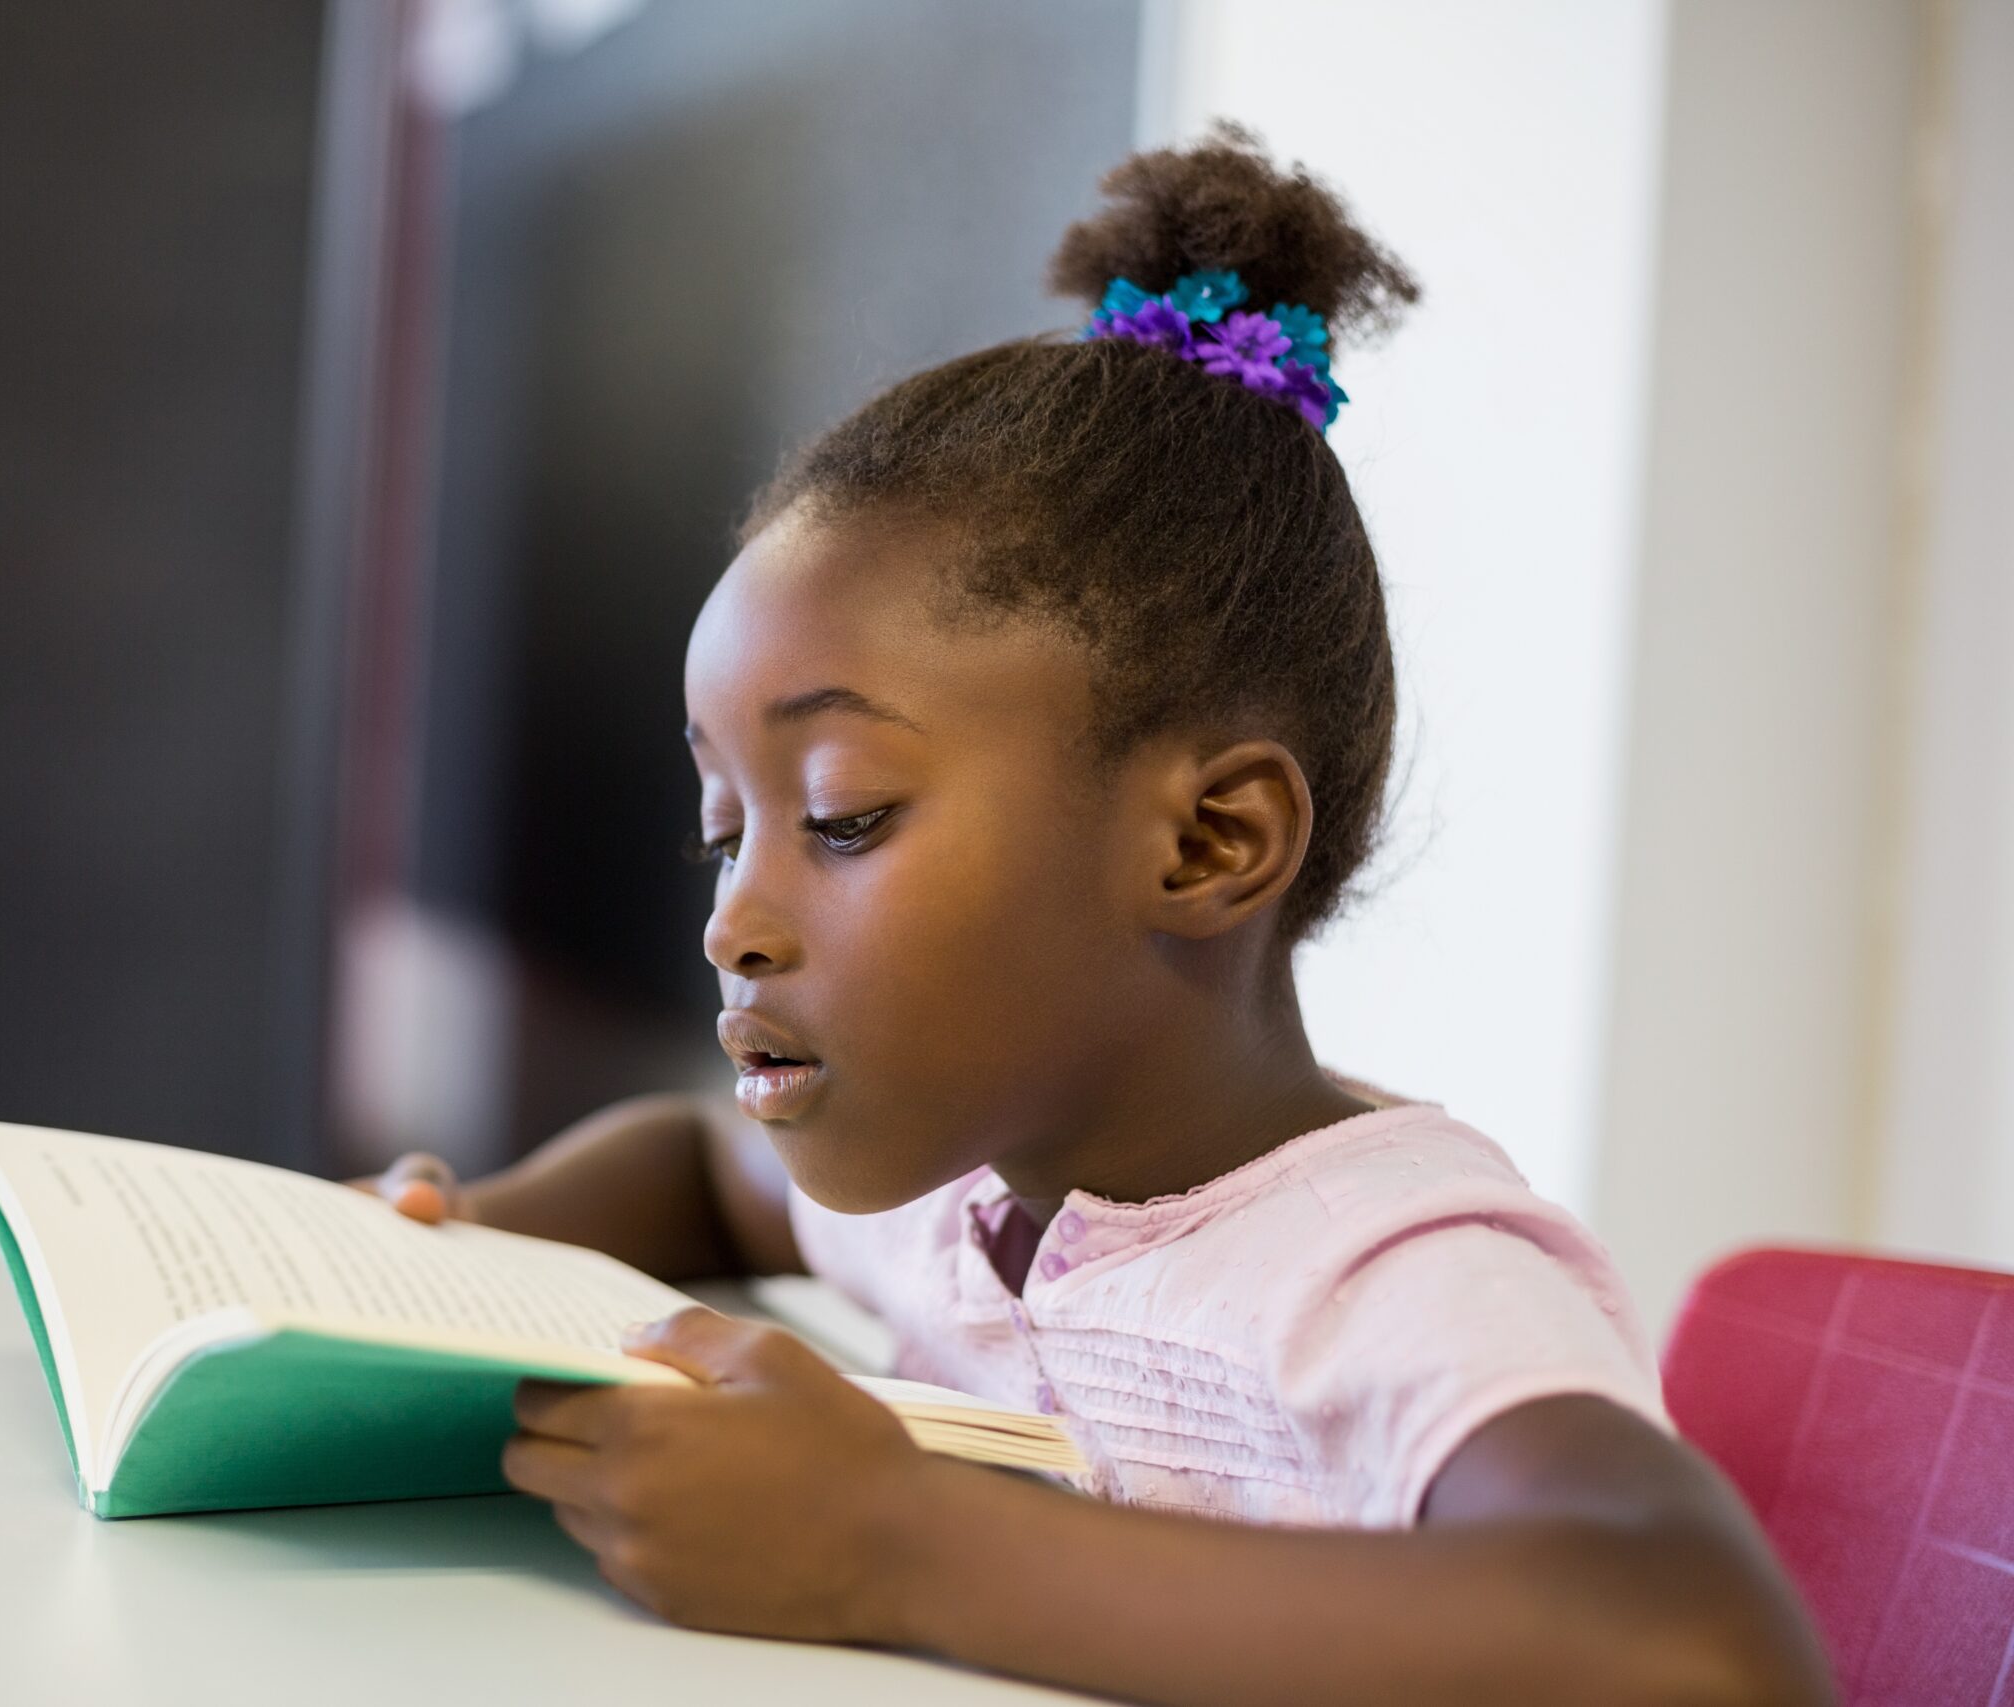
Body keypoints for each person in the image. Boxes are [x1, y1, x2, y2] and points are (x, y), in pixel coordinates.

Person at [366, 127, 1833, 1706]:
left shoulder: (1382, 1279)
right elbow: (699, 1172)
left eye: (845, 816)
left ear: (1209, 843)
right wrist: (443, 1256)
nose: (735, 921)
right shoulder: (949, 1194)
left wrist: (890, 1542)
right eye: (728, 830)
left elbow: (1703, 1649)